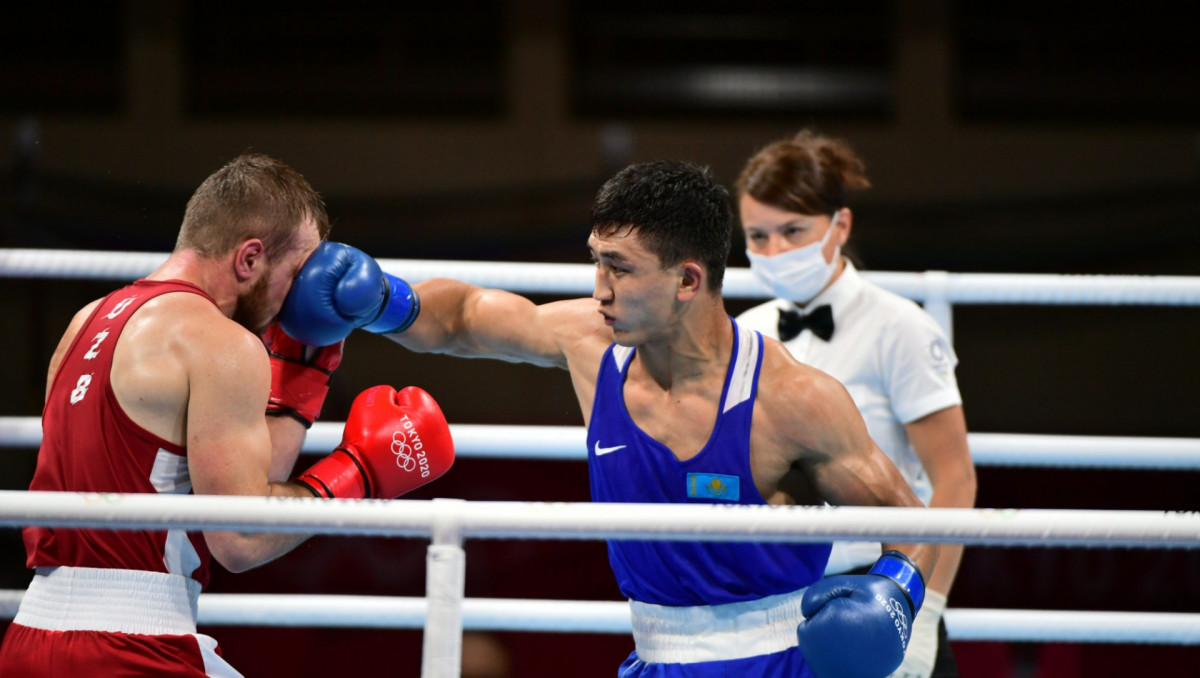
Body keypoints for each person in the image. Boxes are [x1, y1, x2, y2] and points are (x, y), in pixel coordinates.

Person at [281, 160, 941, 678]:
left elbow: (909, 520)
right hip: (654, 659)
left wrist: (895, 591)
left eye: (620, 270)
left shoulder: (792, 399)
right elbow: (464, 318)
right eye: (597, 260)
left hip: (781, 663)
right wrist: (382, 302)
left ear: (688, 280)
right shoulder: (591, 342)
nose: (599, 289)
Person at [0, 152, 454, 677]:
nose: (298, 300)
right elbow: (242, 538)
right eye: (295, 274)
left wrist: (300, 381)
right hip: (134, 648)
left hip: (30, 638)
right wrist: (360, 472)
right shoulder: (221, 342)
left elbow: (234, 486)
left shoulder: (87, 321)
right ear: (249, 259)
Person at [734, 130, 976, 678]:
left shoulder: (900, 327)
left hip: (881, 586)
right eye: (758, 235)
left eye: (793, 230)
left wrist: (919, 610)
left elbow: (955, 479)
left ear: (839, 225)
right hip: (775, 596)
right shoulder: (743, 336)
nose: (774, 251)